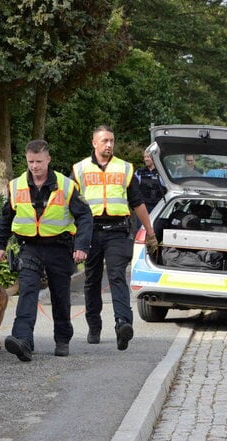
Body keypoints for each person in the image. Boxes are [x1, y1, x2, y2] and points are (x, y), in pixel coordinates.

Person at [0, 139, 93, 361]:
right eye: (30, 161)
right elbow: (6, 217)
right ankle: (22, 341)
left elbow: (85, 216)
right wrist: (0, 245)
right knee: (27, 290)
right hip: (29, 247)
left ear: (48, 159)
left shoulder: (66, 186)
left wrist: (81, 246)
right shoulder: (16, 185)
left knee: (60, 295)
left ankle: (62, 339)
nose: (34, 166)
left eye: (39, 161)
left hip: (59, 246)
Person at [72, 125, 158, 351]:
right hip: (90, 231)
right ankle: (94, 326)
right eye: (104, 141)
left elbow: (137, 203)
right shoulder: (79, 169)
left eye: (111, 140)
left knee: (117, 275)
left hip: (118, 231)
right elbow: (67, 204)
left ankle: (123, 324)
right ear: (94, 143)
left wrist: (150, 233)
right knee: (91, 280)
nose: (109, 144)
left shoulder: (125, 168)